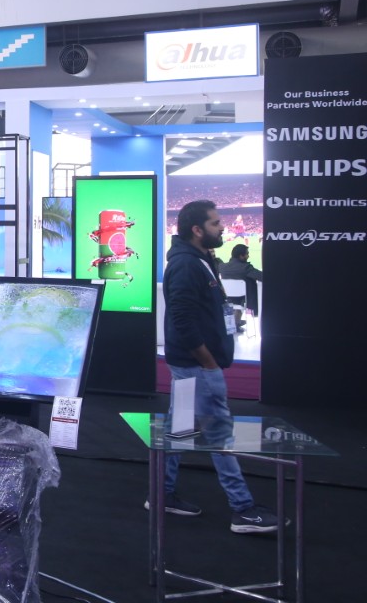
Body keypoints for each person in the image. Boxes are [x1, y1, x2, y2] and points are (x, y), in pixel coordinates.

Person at [156, 200, 279, 534]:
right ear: (197, 230)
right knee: (220, 434)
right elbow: (182, 319)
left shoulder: (201, 259)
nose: (222, 226)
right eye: (215, 223)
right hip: (198, 367)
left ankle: (162, 494)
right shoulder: (186, 264)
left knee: (180, 430)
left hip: (191, 364)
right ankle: (242, 509)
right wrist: (209, 362)